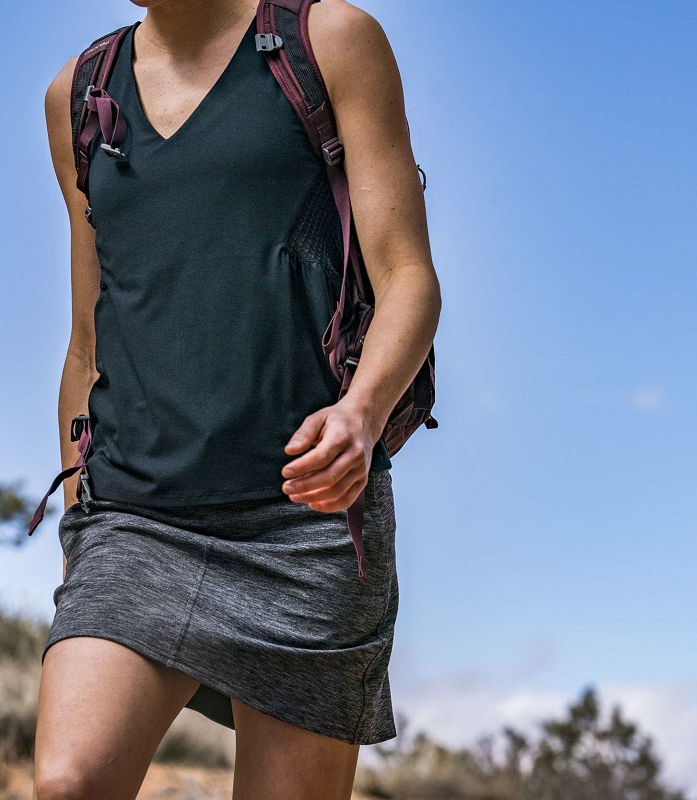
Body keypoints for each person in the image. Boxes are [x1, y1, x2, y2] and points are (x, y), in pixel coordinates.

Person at [33, 0, 441, 797]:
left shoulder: (327, 41)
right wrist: (80, 519)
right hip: (135, 514)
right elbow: (87, 336)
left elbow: (408, 277)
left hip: (309, 521)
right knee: (68, 783)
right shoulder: (78, 94)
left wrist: (360, 413)